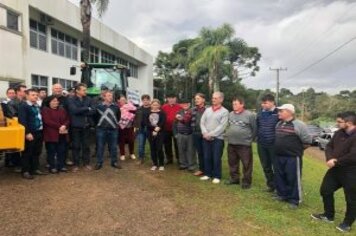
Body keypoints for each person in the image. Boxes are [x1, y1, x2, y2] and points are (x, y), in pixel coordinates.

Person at [311, 111, 356, 233]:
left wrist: (336, 161)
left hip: (351, 172)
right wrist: (330, 159)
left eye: (339, 122)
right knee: (325, 190)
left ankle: (347, 223)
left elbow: (353, 155)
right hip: (336, 170)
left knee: (351, 199)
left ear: (350, 123)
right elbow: (329, 146)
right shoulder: (338, 133)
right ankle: (328, 215)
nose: (337, 124)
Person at [273, 104, 311, 208]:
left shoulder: (299, 125)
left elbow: (307, 141)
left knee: (293, 178)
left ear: (289, 112)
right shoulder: (279, 124)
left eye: (281, 111)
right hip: (278, 155)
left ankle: (294, 199)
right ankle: (282, 195)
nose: (279, 113)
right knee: (280, 176)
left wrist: (295, 150)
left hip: (292, 157)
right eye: (278, 111)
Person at [225, 97, 256, 189]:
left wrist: (250, 139)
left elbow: (254, 128)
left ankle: (246, 182)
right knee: (232, 162)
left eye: (236, 104)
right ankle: (234, 179)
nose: (234, 105)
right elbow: (230, 126)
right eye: (233, 104)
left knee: (246, 164)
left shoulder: (249, 115)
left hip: (244, 144)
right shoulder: (230, 114)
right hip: (231, 143)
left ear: (242, 104)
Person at [199, 92, 229, 184]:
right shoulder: (207, 110)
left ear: (221, 99)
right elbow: (202, 122)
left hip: (217, 139)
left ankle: (217, 176)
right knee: (207, 156)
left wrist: (210, 134)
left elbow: (222, 127)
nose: (213, 100)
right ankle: (208, 174)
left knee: (216, 158)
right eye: (213, 98)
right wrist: (204, 132)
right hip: (206, 137)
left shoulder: (225, 111)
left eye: (216, 98)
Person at [18, 88, 47, 179]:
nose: (35, 96)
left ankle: (35, 169)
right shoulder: (24, 106)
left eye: (36, 95)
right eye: (33, 95)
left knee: (37, 151)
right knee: (27, 152)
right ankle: (25, 171)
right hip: (30, 132)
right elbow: (22, 120)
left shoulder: (37, 106)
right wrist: (27, 133)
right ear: (27, 96)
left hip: (39, 131)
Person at [67, 83, 95, 172]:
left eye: (85, 90)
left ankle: (86, 163)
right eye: (83, 90)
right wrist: (87, 108)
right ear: (77, 91)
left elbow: (93, 111)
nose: (85, 91)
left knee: (86, 146)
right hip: (75, 127)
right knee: (76, 146)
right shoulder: (71, 100)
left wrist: (81, 110)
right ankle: (76, 164)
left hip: (86, 126)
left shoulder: (89, 99)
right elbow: (74, 110)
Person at [256, 94, 279, 192]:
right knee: (266, 166)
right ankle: (271, 185)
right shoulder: (260, 112)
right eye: (262, 103)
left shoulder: (278, 113)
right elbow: (258, 125)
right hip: (261, 144)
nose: (263, 105)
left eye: (265, 103)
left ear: (272, 102)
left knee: (277, 166)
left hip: (274, 145)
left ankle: (279, 187)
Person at [41, 95, 70, 173]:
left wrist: (64, 125)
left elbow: (67, 119)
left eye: (57, 101)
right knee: (51, 151)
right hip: (51, 134)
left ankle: (61, 166)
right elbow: (47, 121)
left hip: (62, 134)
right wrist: (59, 126)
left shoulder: (62, 109)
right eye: (53, 101)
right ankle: (52, 167)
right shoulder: (45, 110)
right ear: (49, 102)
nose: (56, 102)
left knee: (62, 150)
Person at [94, 91, 121, 170]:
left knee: (113, 147)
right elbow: (95, 117)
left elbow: (118, 117)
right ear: (104, 97)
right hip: (101, 129)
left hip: (113, 129)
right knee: (100, 146)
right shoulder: (99, 107)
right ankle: (99, 163)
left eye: (111, 96)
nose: (111, 97)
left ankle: (114, 162)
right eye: (109, 96)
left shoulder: (116, 107)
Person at [174, 98, 196, 172]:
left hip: (190, 134)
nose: (185, 105)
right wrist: (175, 134)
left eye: (187, 103)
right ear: (180, 105)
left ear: (189, 104)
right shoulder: (178, 112)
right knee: (181, 150)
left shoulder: (192, 112)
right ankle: (183, 164)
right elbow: (174, 124)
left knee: (191, 150)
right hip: (180, 134)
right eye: (183, 104)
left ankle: (191, 166)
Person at [146, 99, 166, 171]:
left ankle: (161, 164)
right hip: (150, 133)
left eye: (157, 105)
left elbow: (162, 122)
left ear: (159, 105)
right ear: (151, 105)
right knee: (152, 148)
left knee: (159, 148)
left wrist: (157, 129)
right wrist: (154, 129)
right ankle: (155, 164)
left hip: (160, 133)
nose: (155, 106)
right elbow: (147, 123)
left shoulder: (162, 113)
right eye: (154, 105)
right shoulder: (148, 113)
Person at [161, 94, 181, 164]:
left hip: (177, 129)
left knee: (177, 144)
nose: (171, 99)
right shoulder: (163, 107)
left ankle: (179, 158)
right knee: (167, 144)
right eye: (170, 98)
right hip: (166, 129)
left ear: (176, 98)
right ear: (167, 99)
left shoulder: (180, 107)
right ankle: (169, 158)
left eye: (173, 97)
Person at [191, 93, 207, 177]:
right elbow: (188, 119)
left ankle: (208, 170)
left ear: (203, 100)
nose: (196, 100)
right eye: (195, 99)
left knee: (207, 152)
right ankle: (201, 170)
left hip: (205, 134)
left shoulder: (208, 109)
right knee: (200, 152)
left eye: (198, 98)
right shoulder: (193, 109)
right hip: (196, 133)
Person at [133, 94, 151, 164]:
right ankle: (141, 158)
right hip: (141, 129)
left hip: (150, 129)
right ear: (142, 101)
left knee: (152, 145)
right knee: (140, 145)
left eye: (147, 100)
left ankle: (154, 158)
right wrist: (135, 127)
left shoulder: (152, 108)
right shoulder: (139, 109)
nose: (145, 101)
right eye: (144, 100)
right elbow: (135, 119)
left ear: (149, 100)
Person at [117, 95, 137, 161]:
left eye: (124, 100)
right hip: (121, 127)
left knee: (131, 140)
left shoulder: (129, 106)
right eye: (121, 100)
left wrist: (129, 113)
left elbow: (135, 112)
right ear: (119, 101)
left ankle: (131, 153)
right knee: (121, 141)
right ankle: (122, 154)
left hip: (130, 126)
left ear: (126, 100)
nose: (123, 101)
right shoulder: (117, 107)